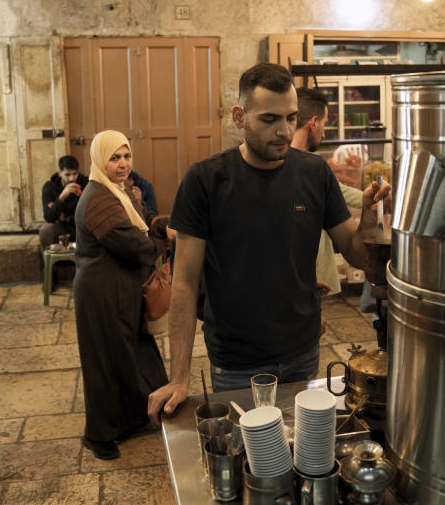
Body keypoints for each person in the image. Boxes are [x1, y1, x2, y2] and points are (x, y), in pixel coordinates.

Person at [147, 63, 390, 422]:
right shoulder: (207, 180)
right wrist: (179, 377)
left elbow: (356, 256)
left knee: (300, 448)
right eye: (269, 119)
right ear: (239, 116)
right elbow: (183, 282)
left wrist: (369, 218)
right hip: (236, 357)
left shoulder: (314, 172)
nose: (284, 131)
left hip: (302, 349)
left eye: (291, 118)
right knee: (250, 454)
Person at [72, 131, 170, 460]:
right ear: (101, 161)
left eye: (126, 156)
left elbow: (140, 226)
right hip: (102, 294)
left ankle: (133, 419)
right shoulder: (98, 198)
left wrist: (158, 226)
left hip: (120, 290)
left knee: (131, 355)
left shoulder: (116, 192)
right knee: (106, 363)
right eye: (115, 158)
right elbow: (136, 246)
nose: (123, 164)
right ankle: (98, 435)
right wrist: (163, 239)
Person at [291, 87, 364, 296]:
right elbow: (340, 193)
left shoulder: (300, 164)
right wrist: (377, 198)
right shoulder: (306, 166)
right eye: (323, 124)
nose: (324, 132)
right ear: (313, 123)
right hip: (307, 273)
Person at [39, 155, 89, 253]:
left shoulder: (86, 184)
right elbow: (49, 217)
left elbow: (89, 211)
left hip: (81, 226)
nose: (72, 178)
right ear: (60, 173)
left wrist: (66, 217)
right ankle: (49, 266)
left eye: (75, 174)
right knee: (45, 230)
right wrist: (62, 197)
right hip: (62, 227)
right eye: (67, 174)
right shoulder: (49, 187)